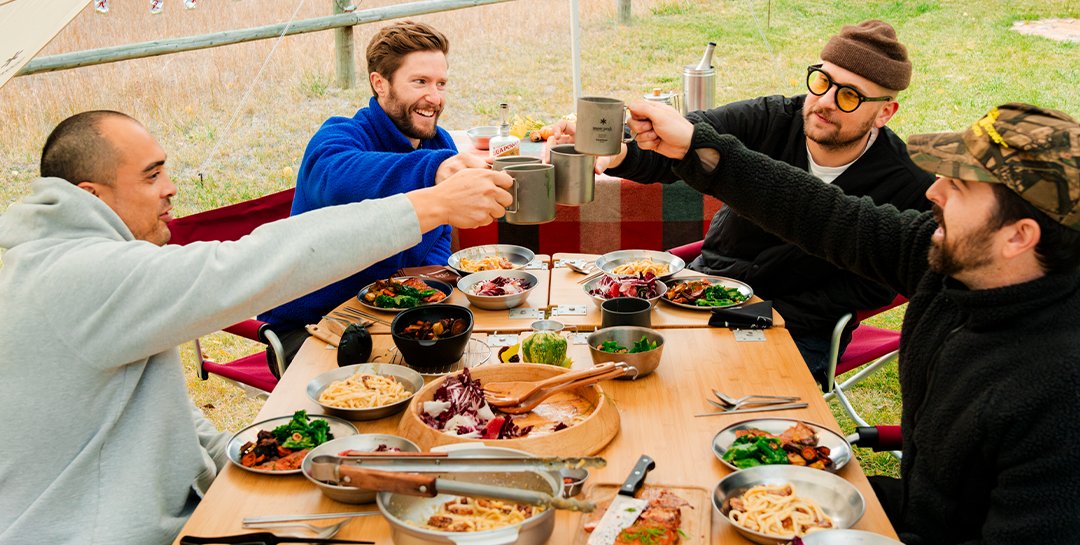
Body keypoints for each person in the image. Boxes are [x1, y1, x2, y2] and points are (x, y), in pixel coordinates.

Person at [0, 110, 511, 545]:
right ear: (93, 194)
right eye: (152, 175)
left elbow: (143, 416)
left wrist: (267, 458)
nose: (171, 188)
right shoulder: (77, 278)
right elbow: (250, 266)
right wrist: (430, 205)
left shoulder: (57, 264)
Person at [626, 98, 1080, 543]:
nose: (932, 191)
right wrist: (694, 147)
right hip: (909, 509)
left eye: (958, 187)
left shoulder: (1060, 392)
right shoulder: (958, 267)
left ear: (1019, 236)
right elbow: (825, 214)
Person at [553, 20, 934, 382]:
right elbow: (683, 146)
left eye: (849, 95)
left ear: (885, 111)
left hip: (797, 324)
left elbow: (872, 286)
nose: (825, 101)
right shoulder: (770, 117)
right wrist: (619, 154)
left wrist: (766, 312)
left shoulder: (907, 182)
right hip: (705, 285)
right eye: (821, 81)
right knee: (621, 367)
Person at [260, 20, 487, 361]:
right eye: (420, 82)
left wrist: (424, 288)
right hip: (310, 328)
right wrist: (433, 171)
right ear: (379, 83)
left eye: (441, 83)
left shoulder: (438, 144)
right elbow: (339, 181)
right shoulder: (339, 138)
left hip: (393, 318)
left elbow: (441, 231)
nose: (435, 98)